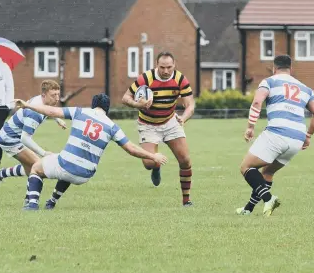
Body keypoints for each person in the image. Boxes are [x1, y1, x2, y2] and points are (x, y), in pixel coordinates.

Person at [13, 93, 168, 210]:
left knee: (36, 168)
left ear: (93, 105)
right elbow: (131, 149)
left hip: (66, 166)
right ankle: (52, 201)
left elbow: (52, 111)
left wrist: (28, 105)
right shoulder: (112, 126)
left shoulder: (80, 112)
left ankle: (32, 204)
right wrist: (153, 156)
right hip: (84, 175)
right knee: (67, 164)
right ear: (107, 109)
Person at [236, 55, 314, 216]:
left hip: (278, 132)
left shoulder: (269, 81)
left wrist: (250, 127)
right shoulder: (305, 88)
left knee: (246, 167)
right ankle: (248, 209)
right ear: (291, 69)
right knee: (267, 173)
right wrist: (308, 135)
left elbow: (257, 102)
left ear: (274, 68)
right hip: (297, 138)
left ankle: (269, 199)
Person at [121, 51, 195, 207]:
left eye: (169, 67)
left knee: (185, 160)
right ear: (157, 65)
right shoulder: (146, 78)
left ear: (174, 65)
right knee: (149, 163)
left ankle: (186, 200)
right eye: (162, 67)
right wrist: (138, 104)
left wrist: (183, 117)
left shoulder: (180, 79)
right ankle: (156, 167)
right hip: (148, 124)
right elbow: (125, 97)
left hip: (170, 122)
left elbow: (190, 105)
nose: (166, 71)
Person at [0, 80, 66, 192]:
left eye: (58, 95)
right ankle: (30, 202)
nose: (57, 98)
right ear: (44, 95)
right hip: (10, 139)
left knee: (29, 169)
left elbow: (47, 110)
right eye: (53, 95)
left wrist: (57, 119)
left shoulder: (41, 100)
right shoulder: (34, 113)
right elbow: (25, 138)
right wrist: (44, 153)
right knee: (39, 167)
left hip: (11, 136)